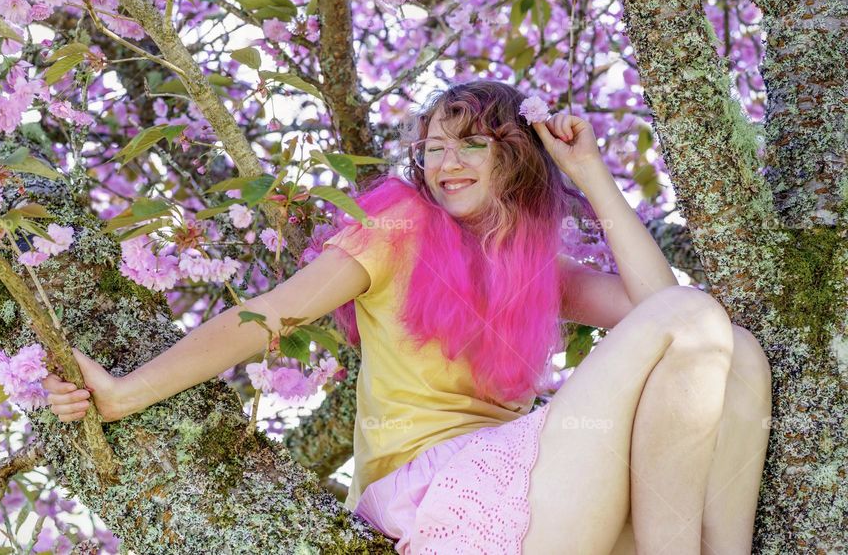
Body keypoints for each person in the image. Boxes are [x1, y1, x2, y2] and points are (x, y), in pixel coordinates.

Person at [43, 81, 772, 554]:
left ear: (514, 155)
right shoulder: (398, 225)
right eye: (432, 147)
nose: (445, 162)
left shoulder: (535, 269)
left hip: (548, 502)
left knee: (731, 346)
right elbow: (271, 314)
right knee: (695, 320)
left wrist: (592, 177)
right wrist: (127, 391)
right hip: (443, 500)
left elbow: (666, 310)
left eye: (470, 145)